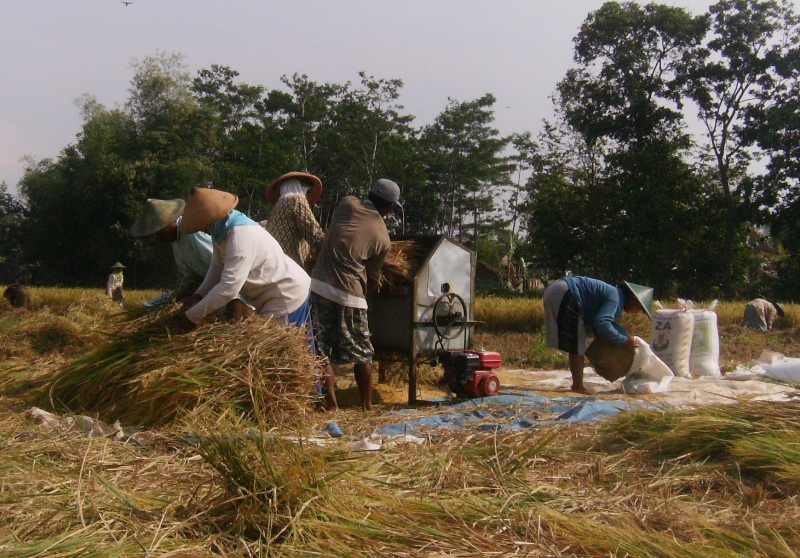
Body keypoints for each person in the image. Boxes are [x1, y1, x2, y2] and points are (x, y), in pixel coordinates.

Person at [310, 179, 400, 411]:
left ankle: (331, 404)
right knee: (362, 354)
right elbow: (372, 274)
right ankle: (367, 406)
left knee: (321, 350)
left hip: (319, 287)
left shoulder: (346, 204)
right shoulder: (383, 237)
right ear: (390, 207)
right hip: (351, 295)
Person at [178, 187, 313, 333]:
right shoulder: (221, 233)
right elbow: (217, 267)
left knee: (280, 350)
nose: (202, 230)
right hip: (271, 295)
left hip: (286, 295)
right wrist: (199, 295)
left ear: (211, 219)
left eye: (202, 226)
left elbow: (228, 288)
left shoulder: (239, 238)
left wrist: (192, 316)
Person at [543, 276, 653, 394]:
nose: (637, 312)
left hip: (558, 289)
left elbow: (608, 324)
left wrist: (626, 336)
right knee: (577, 342)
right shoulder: (616, 299)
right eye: (639, 308)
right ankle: (578, 386)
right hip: (567, 292)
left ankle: (577, 385)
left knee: (577, 341)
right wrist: (624, 341)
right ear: (633, 299)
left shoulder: (616, 296)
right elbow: (602, 322)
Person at [130, 198, 213, 301]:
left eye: (160, 233)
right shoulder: (176, 240)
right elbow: (192, 275)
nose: (159, 238)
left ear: (168, 225)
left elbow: (219, 267)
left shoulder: (192, 232)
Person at [262, 172, 325, 272]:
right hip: (291, 263)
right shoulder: (297, 200)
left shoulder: (279, 205)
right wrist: (326, 246)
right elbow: (312, 230)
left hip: (274, 260)